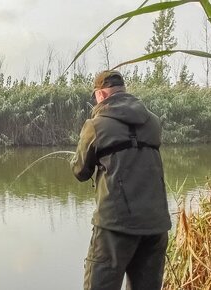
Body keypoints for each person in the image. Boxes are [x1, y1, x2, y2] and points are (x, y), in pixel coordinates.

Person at [71, 70, 171, 290]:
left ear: (102, 95)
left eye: (95, 96)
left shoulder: (95, 126)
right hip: (155, 225)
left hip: (114, 227)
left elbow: (80, 171)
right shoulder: (153, 122)